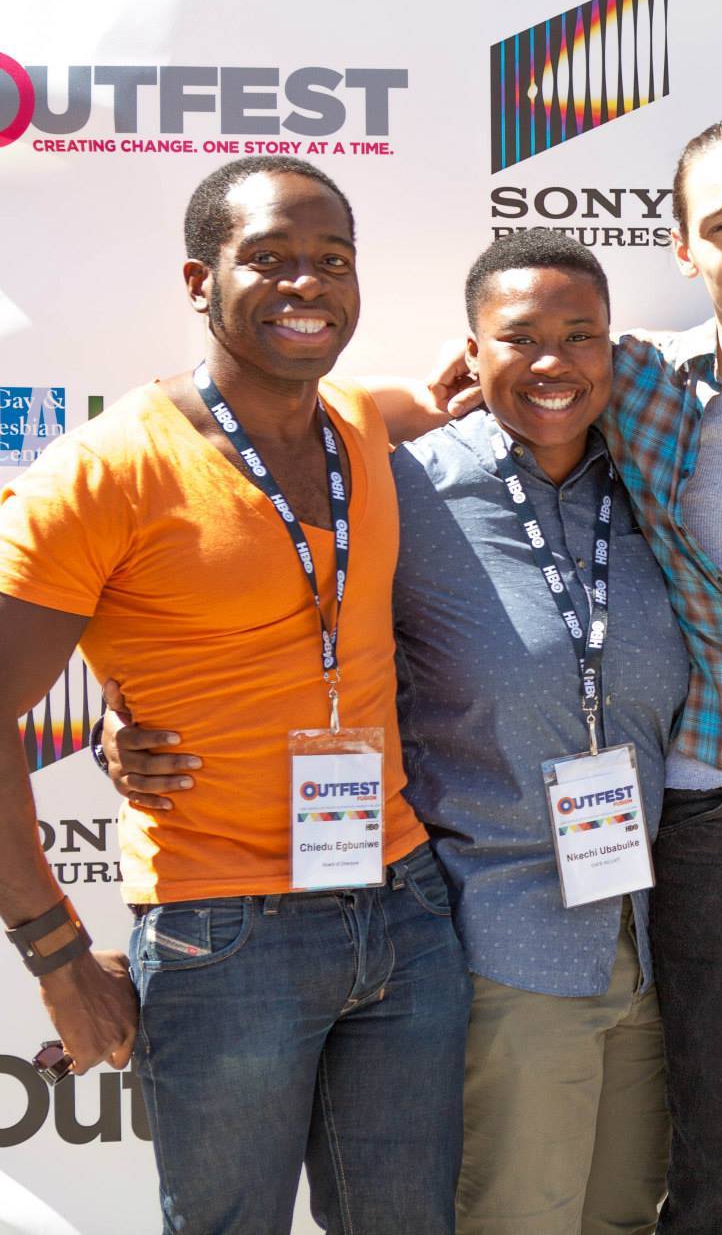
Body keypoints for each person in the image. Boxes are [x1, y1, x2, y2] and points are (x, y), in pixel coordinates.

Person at [109, 230, 689, 1233]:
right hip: (503, 936)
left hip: (650, 933)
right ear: (471, 352)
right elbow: (226, 579)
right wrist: (127, 700)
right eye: (521, 337)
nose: (553, 361)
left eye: (581, 336)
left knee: (625, 1216)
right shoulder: (401, 485)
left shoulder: (655, 482)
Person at [408, 120, 722, 1234]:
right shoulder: (640, 381)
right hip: (720, 818)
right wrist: (423, 391)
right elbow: (514, 374)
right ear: (684, 251)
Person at [0, 157, 470, 1233]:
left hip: (401, 906)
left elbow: (446, 394)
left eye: (331, 261)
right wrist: (58, 954)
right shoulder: (103, 471)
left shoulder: (358, 424)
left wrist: (484, 373)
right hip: (226, 938)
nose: (307, 285)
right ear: (196, 280)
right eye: (267, 259)